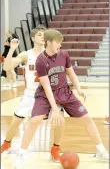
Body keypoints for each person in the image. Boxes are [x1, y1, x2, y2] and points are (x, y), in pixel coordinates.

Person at [14, 29, 108, 169]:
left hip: (65, 92)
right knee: (34, 121)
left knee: (87, 118)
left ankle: (101, 150)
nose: (60, 45)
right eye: (58, 42)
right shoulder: (40, 60)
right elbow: (46, 87)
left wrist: (79, 88)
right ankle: (21, 154)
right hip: (45, 95)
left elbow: (71, 73)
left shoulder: (64, 54)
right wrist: (54, 109)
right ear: (49, 42)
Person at [1, 27, 65, 163]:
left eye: (44, 34)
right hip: (30, 95)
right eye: (39, 34)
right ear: (32, 38)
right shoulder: (26, 54)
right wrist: (12, 49)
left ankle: (55, 148)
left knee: (59, 120)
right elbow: (6, 68)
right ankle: (7, 143)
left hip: (49, 95)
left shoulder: (54, 53)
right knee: (14, 123)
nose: (42, 36)